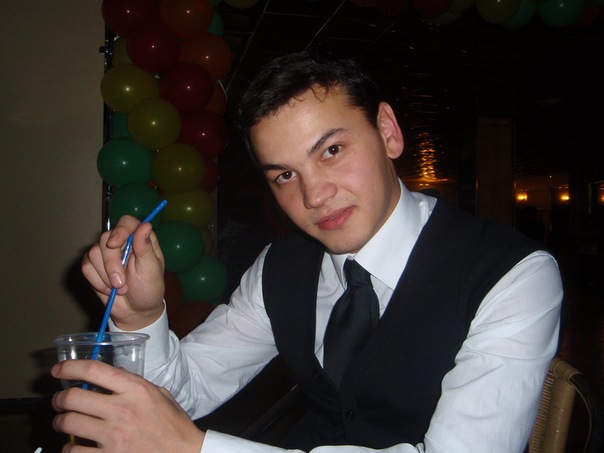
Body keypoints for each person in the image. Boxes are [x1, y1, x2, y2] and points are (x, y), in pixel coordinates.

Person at [52, 50, 563, 452]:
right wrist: (142, 315)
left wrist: (195, 448)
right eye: (284, 175)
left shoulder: (513, 275)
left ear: (388, 131)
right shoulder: (280, 268)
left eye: (332, 151)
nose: (314, 196)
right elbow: (187, 391)